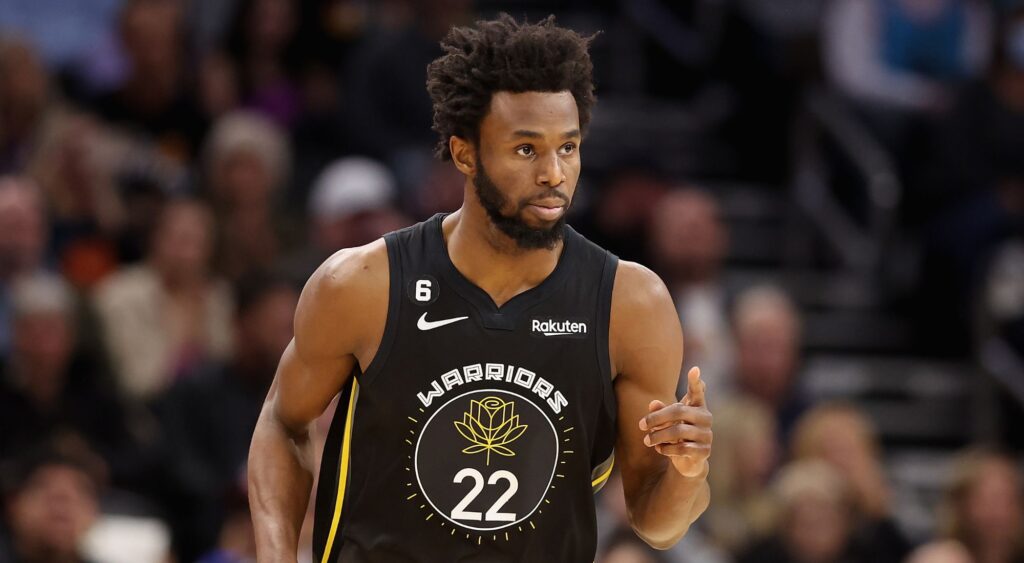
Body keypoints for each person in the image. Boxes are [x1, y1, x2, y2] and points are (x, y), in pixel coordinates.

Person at [248, 14, 713, 562]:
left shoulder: (630, 304)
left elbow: (655, 523)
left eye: (568, 147)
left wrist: (687, 471)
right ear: (466, 153)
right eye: (525, 149)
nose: (554, 174)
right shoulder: (365, 284)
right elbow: (283, 422)